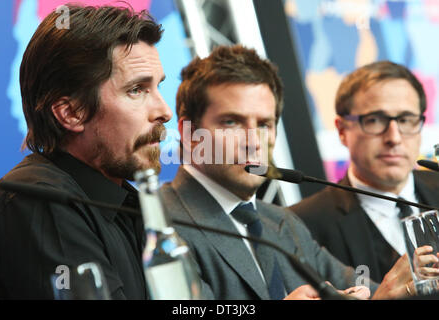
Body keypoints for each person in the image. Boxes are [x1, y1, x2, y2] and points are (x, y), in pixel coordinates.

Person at [159, 45, 414, 300]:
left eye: (263, 124)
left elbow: (365, 286)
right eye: (231, 122)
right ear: (191, 133)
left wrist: (396, 287)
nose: (253, 141)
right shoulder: (157, 224)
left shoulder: (282, 221)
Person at [0, 5, 172, 299]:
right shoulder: (38, 199)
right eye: (137, 90)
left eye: (158, 87)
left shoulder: (129, 203)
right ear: (71, 113)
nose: (165, 111)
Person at [290, 61, 439, 283]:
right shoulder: (300, 225)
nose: (394, 138)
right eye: (375, 120)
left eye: (406, 120)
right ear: (342, 130)